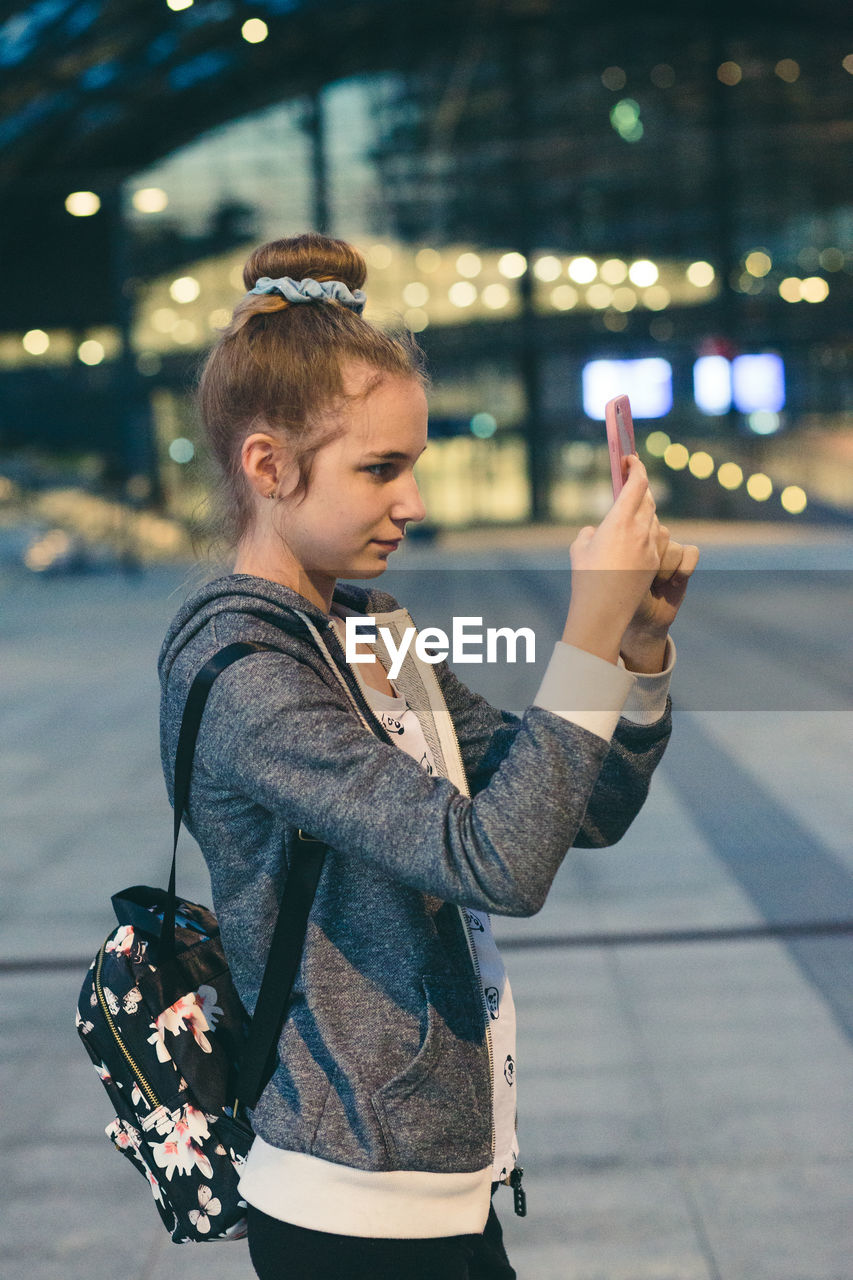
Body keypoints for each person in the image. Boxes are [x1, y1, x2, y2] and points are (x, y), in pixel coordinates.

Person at [158, 232, 699, 1279]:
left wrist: (633, 654)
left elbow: (567, 809)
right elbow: (496, 865)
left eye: (414, 463)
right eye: (380, 468)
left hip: (440, 1183)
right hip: (345, 1200)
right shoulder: (241, 673)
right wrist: (580, 638)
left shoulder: (371, 626)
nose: (412, 500)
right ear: (268, 465)